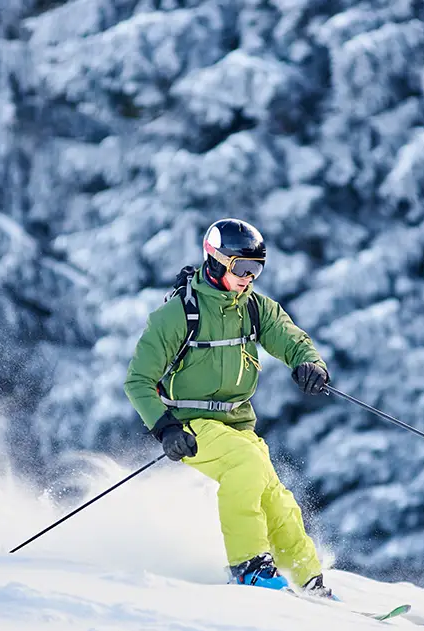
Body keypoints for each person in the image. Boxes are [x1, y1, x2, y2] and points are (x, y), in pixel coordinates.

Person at [124, 218, 335, 598]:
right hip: (191, 424)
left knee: (275, 495)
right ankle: (248, 567)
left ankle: (307, 578)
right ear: (217, 260)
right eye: (242, 268)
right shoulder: (178, 315)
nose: (249, 278)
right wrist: (165, 429)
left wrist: (310, 364)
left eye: (257, 269)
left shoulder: (253, 308)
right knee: (246, 465)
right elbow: (138, 380)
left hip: (238, 425)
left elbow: (291, 338)